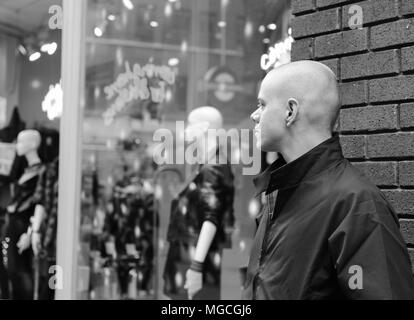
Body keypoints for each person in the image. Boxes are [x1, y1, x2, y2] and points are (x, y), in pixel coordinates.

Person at [244, 60, 414, 300]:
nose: (254, 115)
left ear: (290, 111)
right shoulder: (278, 190)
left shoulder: (357, 206)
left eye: (262, 104)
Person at [163, 106, 235, 300]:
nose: (186, 130)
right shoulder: (207, 165)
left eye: (190, 124)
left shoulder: (213, 167)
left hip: (193, 261)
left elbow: (211, 218)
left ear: (203, 127)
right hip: (188, 257)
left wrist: (196, 267)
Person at [5, 130, 44, 300]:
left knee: (22, 272)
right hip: (13, 226)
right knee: (11, 270)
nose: (17, 145)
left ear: (32, 144)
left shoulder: (42, 172)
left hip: (23, 227)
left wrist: (30, 232)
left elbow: (40, 205)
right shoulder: (25, 171)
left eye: (21, 142)